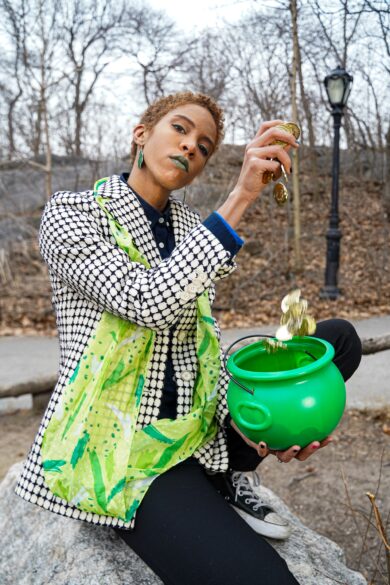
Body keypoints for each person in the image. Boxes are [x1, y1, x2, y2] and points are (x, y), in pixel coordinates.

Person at [14, 91, 362, 585]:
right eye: (179, 129)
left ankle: (231, 465)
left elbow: (198, 346)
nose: (190, 148)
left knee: (336, 341)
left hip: (198, 427)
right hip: (131, 446)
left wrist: (266, 419)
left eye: (204, 146)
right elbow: (145, 302)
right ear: (142, 133)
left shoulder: (186, 227)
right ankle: (207, 483)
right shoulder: (72, 213)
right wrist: (241, 194)